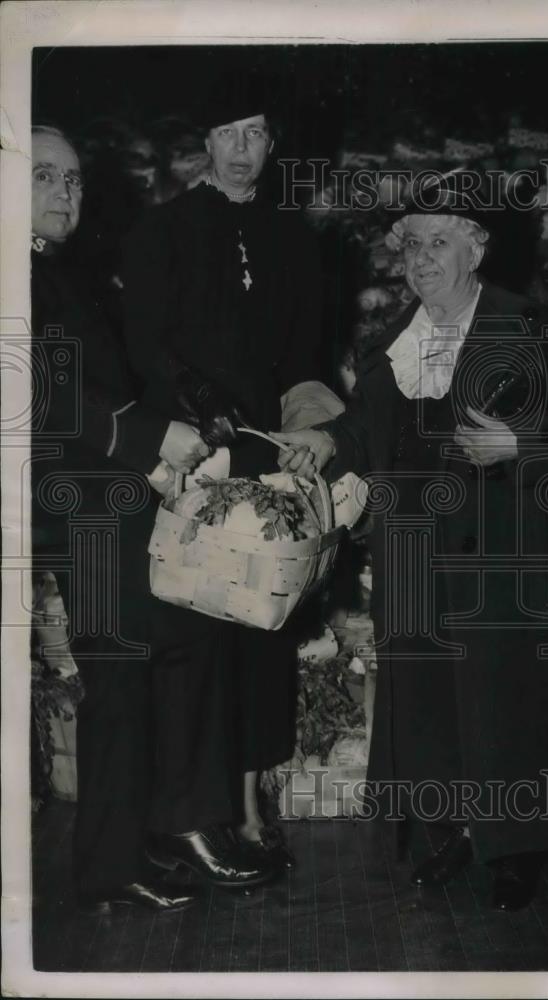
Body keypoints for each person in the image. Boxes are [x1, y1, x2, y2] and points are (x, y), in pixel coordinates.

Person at [272, 179, 548, 911]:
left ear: (476, 248)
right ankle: (452, 829)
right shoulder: (393, 342)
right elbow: (365, 431)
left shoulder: (531, 329)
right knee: (434, 703)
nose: (420, 259)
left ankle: (518, 849)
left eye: (437, 242)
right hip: (417, 554)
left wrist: (520, 444)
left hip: (505, 553)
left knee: (508, 704)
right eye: (410, 244)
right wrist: (323, 440)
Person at [30, 125, 271, 914]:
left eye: (70, 180)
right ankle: (115, 860)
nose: (65, 193)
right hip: (76, 507)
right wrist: (145, 440)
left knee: (151, 665)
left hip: (107, 497)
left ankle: (143, 842)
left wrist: (171, 445)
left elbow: (107, 386)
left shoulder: (55, 273)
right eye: (43, 177)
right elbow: (38, 396)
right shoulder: (14, 277)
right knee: (125, 677)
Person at [121, 71, 328, 872]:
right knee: (201, 632)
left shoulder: (295, 238)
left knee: (263, 633)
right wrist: (199, 404)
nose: (247, 150)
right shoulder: (160, 233)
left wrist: (311, 435)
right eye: (231, 134)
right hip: (196, 457)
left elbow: (307, 356)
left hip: (268, 461)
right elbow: (146, 343)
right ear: (204, 145)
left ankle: (246, 802)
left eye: (260, 133)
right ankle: (194, 811)